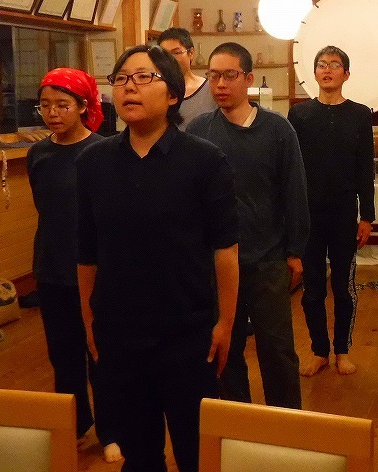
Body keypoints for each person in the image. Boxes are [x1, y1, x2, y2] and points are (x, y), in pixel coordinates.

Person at [76, 45, 239, 472]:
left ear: (173, 95)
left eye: (144, 77)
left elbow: (225, 250)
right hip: (119, 334)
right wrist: (90, 321)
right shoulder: (93, 162)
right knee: (140, 455)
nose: (129, 87)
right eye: (121, 78)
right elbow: (87, 252)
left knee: (197, 451)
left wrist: (225, 323)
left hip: (188, 333)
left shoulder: (204, 160)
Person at [187, 41, 309, 410]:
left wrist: (296, 251)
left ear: (249, 79)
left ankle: (285, 426)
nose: (220, 84)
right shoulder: (199, 130)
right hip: (216, 263)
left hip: (267, 259)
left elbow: (295, 192)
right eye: (214, 76)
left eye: (229, 75)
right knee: (224, 349)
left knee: (278, 350)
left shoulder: (277, 129)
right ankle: (235, 423)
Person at [26, 68, 121, 463]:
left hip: (98, 271)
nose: (53, 113)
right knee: (62, 355)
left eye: (62, 105)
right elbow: (46, 210)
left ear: (83, 106)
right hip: (51, 267)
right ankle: (76, 424)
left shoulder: (104, 151)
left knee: (102, 353)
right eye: (45, 105)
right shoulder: (38, 154)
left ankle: (111, 429)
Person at [287, 46, 375, 377]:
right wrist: (291, 217)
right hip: (308, 215)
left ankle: (342, 350)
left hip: (343, 214)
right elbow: (291, 170)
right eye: (321, 65)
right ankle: (319, 350)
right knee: (312, 288)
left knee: (343, 286)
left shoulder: (360, 114)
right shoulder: (299, 115)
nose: (327, 70)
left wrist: (367, 216)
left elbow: (365, 168)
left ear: (346, 74)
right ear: (314, 73)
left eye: (335, 65)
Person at [157, 27, 217, 130]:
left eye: (176, 53)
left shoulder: (211, 88)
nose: (171, 59)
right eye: (165, 54)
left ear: (191, 53)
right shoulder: (155, 90)